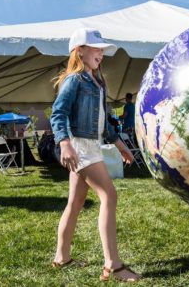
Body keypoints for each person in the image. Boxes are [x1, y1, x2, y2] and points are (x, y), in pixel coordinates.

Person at [49, 27, 141, 282]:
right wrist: (64, 143)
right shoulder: (74, 80)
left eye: (102, 49)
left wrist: (121, 145)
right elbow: (58, 114)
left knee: (75, 203)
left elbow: (104, 124)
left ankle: (62, 257)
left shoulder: (97, 82)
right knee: (109, 195)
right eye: (96, 48)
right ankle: (114, 266)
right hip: (80, 147)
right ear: (79, 50)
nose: (101, 53)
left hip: (91, 146)